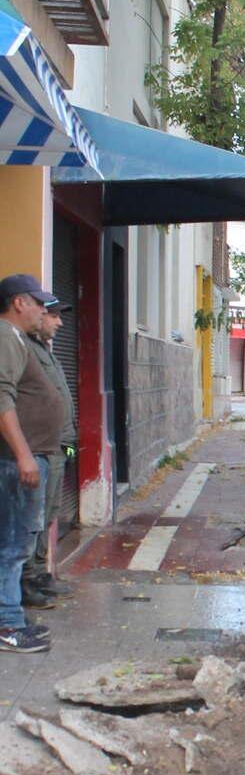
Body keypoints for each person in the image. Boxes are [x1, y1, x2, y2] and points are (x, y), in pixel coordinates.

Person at [0, 274, 66, 653]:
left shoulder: (19, 340)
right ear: (18, 302)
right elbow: (2, 396)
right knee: (14, 544)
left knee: (17, 542)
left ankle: (11, 618)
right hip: (16, 462)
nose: (44, 310)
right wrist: (24, 454)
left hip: (30, 457)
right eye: (38, 302)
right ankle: (8, 623)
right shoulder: (6, 338)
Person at [22, 294, 75, 608]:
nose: (59, 322)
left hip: (60, 447)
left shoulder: (44, 349)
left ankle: (40, 573)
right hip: (39, 447)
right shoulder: (23, 348)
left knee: (49, 511)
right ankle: (28, 580)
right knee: (33, 516)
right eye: (53, 316)